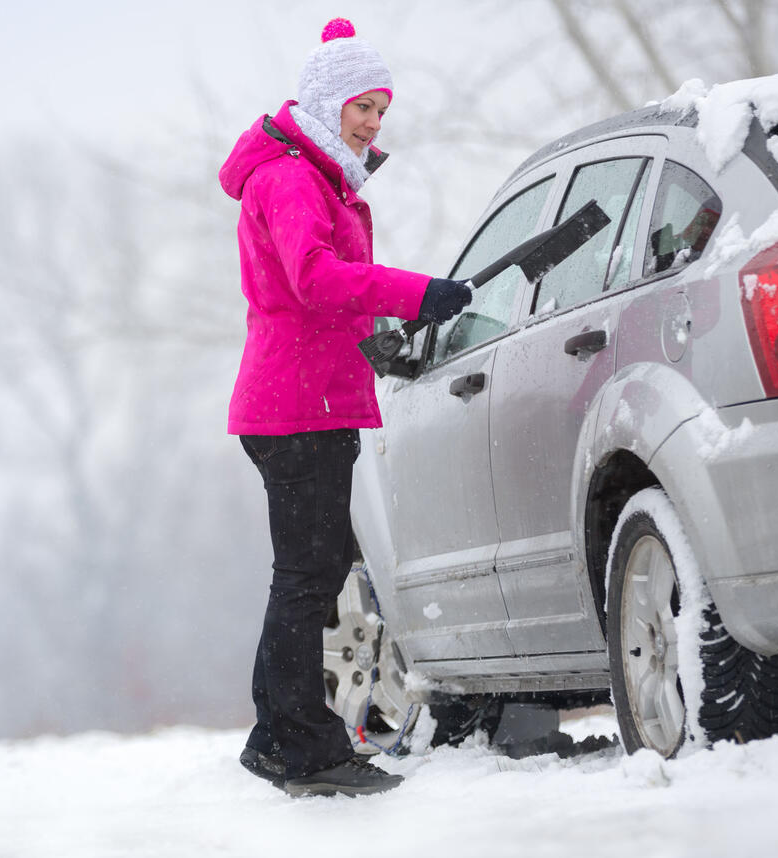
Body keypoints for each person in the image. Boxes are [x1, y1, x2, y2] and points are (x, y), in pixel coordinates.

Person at [218, 18, 471, 798]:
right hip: (296, 406)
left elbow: (326, 301)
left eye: (382, 110)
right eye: (363, 106)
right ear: (327, 105)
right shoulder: (293, 177)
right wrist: (416, 293)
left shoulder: (314, 175)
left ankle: (276, 736)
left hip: (308, 397)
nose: (373, 123)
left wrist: (383, 335)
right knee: (308, 577)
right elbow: (316, 281)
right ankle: (303, 747)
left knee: (311, 572)